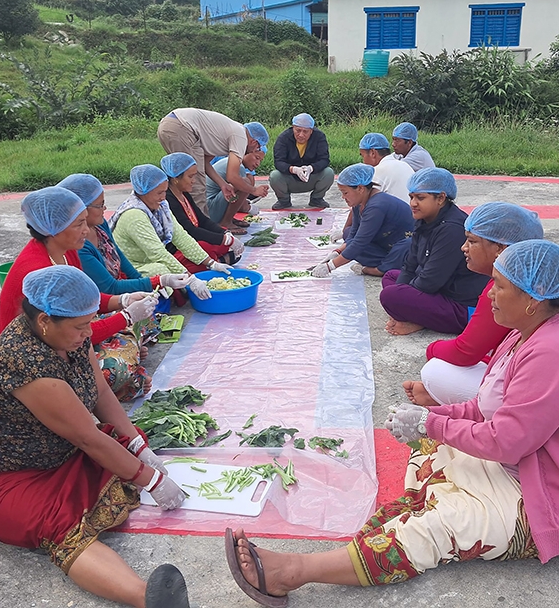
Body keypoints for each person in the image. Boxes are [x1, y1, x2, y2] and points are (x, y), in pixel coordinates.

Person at [225, 239, 559, 604]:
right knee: (428, 448)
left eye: (499, 285)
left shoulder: (549, 352)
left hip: (535, 488)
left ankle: (292, 572)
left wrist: (432, 425)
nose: (489, 293)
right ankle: (403, 525)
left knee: (435, 528)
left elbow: (509, 441)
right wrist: (432, 417)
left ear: (534, 299)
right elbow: (482, 408)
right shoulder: (520, 334)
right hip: (513, 463)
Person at [0, 266, 190, 608]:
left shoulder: (67, 336)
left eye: (88, 323)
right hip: (13, 468)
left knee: (122, 449)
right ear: (46, 321)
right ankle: (146, 598)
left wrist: (138, 444)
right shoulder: (24, 361)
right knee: (54, 523)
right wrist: (152, 480)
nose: (87, 333)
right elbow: (89, 439)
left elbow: (99, 391)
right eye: (81, 326)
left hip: (61, 445)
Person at [0, 186, 158, 402]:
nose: (86, 229)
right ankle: (128, 356)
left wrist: (123, 300)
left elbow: (84, 301)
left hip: (69, 332)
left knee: (146, 318)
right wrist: (126, 317)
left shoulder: (67, 250)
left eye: (85, 221)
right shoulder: (38, 268)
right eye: (79, 224)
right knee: (115, 370)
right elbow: (69, 331)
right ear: (53, 229)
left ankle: (129, 348)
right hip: (43, 349)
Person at [403, 202, 544, 406]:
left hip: (531, 392)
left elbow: (466, 352)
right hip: (524, 372)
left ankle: (460, 403)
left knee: (435, 370)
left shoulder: (509, 289)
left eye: (471, 241)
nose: (464, 247)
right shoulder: (527, 277)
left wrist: (432, 348)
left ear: (500, 248)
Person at [380, 168, 488, 336]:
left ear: (441, 198)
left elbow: (429, 282)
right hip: (441, 288)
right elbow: (410, 265)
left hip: (460, 304)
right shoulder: (424, 220)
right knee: (391, 277)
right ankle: (418, 316)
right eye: (411, 197)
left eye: (420, 198)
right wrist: (405, 297)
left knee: (390, 295)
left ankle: (420, 320)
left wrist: (404, 300)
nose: (413, 203)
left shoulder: (452, 229)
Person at [58, 173, 192, 299]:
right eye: (100, 205)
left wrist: (139, 279)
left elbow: (118, 254)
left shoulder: (100, 225)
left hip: (119, 282)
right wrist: (154, 282)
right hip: (103, 296)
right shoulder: (79, 245)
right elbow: (109, 288)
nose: (104, 209)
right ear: (81, 210)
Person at [109, 165, 230, 299]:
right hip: (133, 266)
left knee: (191, 263)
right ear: (143, 192)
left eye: (165, 192)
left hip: (151, 259)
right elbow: (158, 253)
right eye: (159, 193)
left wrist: (212, 263)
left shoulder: (161, 206)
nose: (163, 197)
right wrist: (190, 279)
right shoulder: (134, 215)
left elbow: (181, 236)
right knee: (161, 271)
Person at [156, 106, 269, 216]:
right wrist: (254, 190)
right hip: (182, 128)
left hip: (170, 124)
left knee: (180, 180)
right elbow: (232, 177)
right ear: (254, 142)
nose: (254, 151)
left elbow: (205, 163)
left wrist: (222, 184)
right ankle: (200, 229)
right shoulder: (241, 137)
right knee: (194, 183)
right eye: (257, 149)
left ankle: (182, 220)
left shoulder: (229, 132)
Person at [311, 164, 413, 278]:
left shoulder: (377, 206)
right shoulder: (358, 203)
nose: (342, 197)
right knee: (348, 234)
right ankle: (386, 264)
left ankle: (377, 270)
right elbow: (354, 235)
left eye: (345, 193)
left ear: (360, 188)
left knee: (403, 249)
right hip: (384, 244)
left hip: (402, 245)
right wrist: (337, 252)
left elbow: (360, 242)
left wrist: (330, 267)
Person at [161, 153, 245, 271]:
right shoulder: (169, 200)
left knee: (221, 243)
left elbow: (202, 219)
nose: (194, 181)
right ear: (175, 179)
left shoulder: (184, 193)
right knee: (204, 246)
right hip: (180, 247)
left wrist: (225, 233)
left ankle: (216, 261)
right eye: (190, 177)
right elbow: (190, 231)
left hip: (194, 240)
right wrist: (224, 240)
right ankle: (217, 262)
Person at [270, 113, 335, 210]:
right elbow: (278, 162)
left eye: (305, 131)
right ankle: (283, 201)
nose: (301, 135)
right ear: (293, 127)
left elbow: (324, 159)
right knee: (274, 176)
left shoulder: (319, 137)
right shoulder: (283, 138)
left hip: (311, 177)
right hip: (289, 178)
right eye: (298, 130)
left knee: (329, 173)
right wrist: (293, 169)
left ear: (311, 131)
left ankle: (316, 199)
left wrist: (311, 168)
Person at [205, 150, 268, 231]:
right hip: (209, 211)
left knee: (246, 180)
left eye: (260, 160)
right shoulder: (238, 168)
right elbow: (242, 205)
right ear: (246, 153)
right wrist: (253, 193)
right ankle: (226, 222)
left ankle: (229, 219)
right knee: (245, 182)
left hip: (209, 207)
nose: (258, 163)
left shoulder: (230, 161)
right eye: (256, 158)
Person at [359, 132, 413, 204]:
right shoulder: (405, 165)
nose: (363, 161)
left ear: (373, 153)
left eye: (363, 156)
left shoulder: (378, 171)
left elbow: (365, 203)